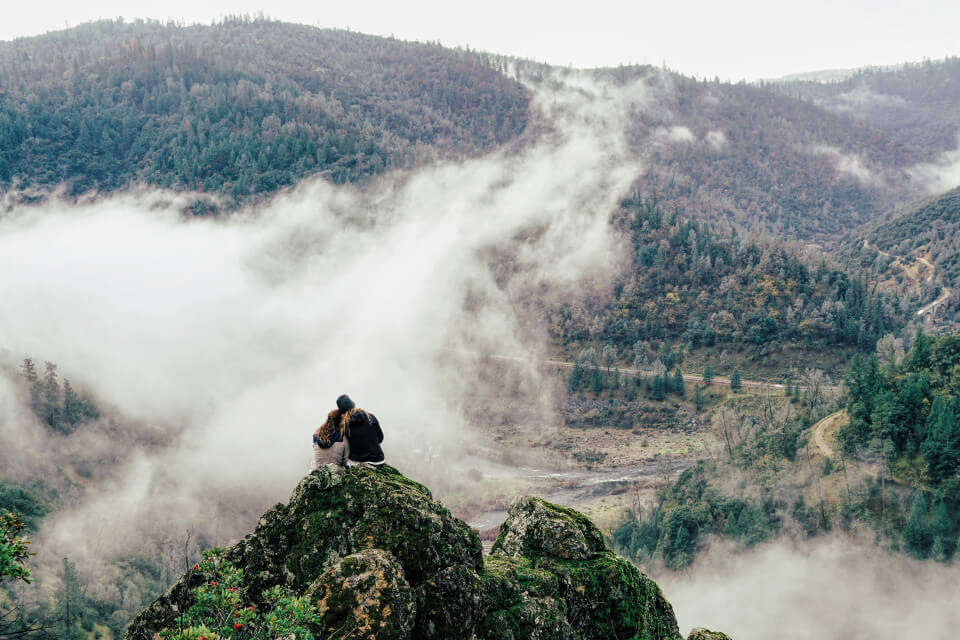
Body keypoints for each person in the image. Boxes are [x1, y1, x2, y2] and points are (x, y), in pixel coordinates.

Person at [310, 394, 353, 470]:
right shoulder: (343, 437)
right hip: (334, 473)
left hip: (315, 471)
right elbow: (346, 461)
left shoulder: (316, 435)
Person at [342, 396, 385, 467]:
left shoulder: (344, 424)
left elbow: (345, 447)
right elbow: (380, 438)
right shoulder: (371, 416)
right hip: (377, 460)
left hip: (356, 462)